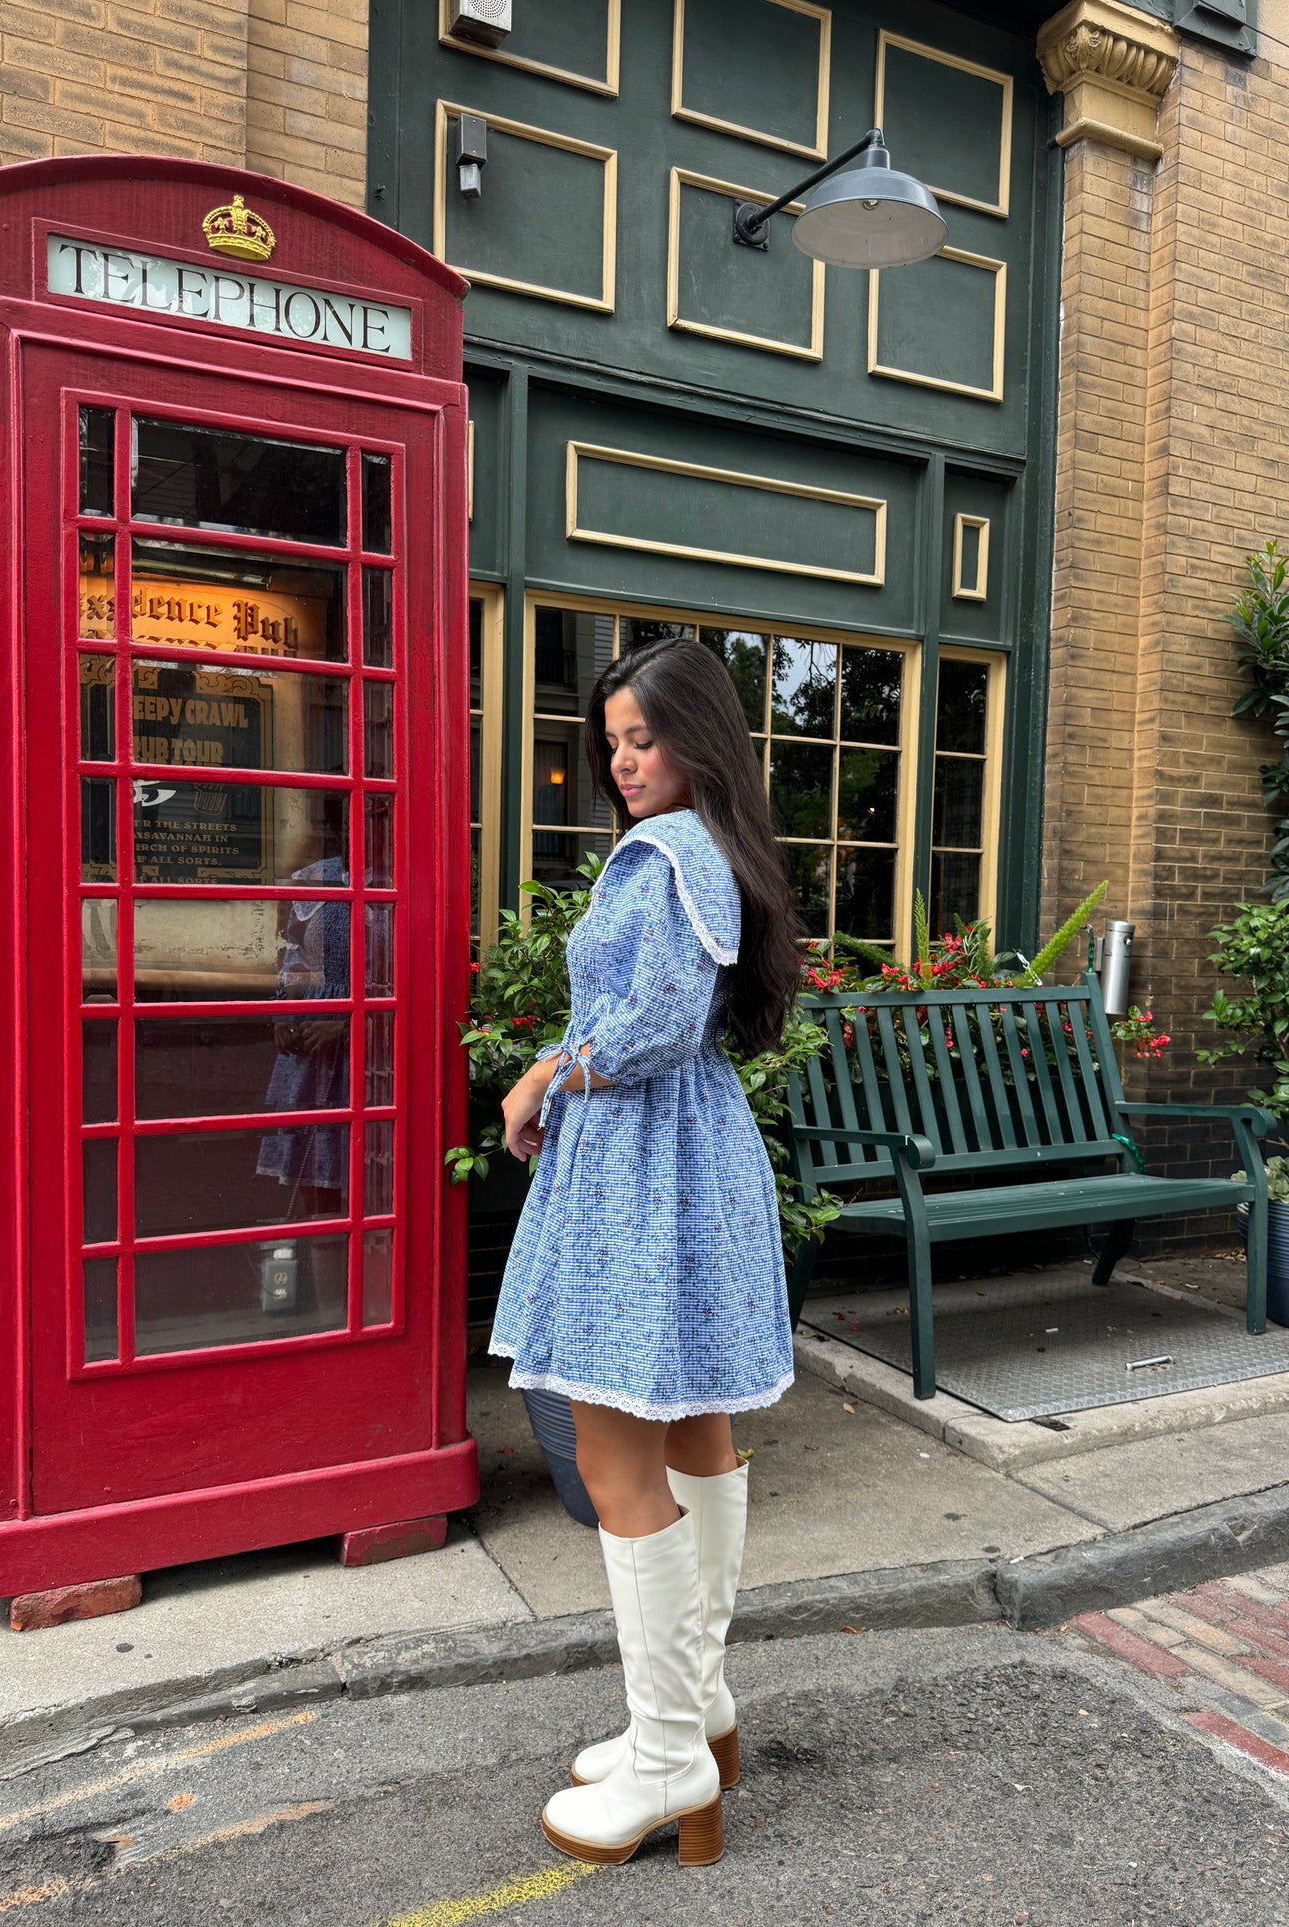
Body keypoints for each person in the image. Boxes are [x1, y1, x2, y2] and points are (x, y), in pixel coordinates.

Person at [490, 636, 802, 1868]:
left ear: (699, 739)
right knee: (693, 1431)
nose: (622, 760)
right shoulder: (713, 848)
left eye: (643, 737)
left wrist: (543, 1069)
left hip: (638, 1162)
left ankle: (669, 1753)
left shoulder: (663, 852)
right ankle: (692, 1713)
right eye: (612, 740)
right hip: (691, 1158)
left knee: (616, 1451)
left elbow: (658, 1021)